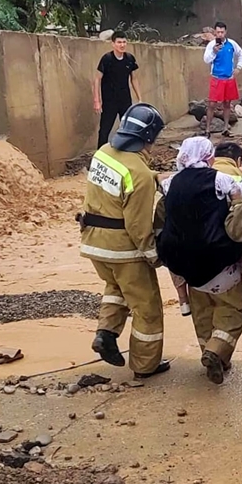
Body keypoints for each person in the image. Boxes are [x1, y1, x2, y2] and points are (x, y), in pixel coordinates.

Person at [80, 103, 171, 378]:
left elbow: (124, 176)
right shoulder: (139, 176)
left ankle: (105, 334)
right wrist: (153, 255)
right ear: (149, 138)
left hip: (93, 243)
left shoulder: (103, 153)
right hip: (124, 250)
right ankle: (145, 365)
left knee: (116, 288)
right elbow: (138, 225)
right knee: (148, 308)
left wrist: (155, 178)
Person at [158, 137, 242, 385]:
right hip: (219, 261)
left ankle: (210, 353)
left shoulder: (170, 183)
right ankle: (216, 351)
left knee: (202, 314)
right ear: (209, 157)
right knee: (231, 311)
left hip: (185, 265)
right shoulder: (220, 180)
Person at [214, 141, 242, 316]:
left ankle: (183, 301)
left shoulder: (202, 174)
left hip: (203, 235)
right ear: (238, 160)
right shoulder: (239, 178)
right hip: (232, 235)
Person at [93, 32, 143, 150]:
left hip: (125, 99)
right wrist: (97, 100)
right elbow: (97, 79)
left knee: (128, 128)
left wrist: (140, 98)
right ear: (113, 44)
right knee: (105, 129)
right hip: (109, 101)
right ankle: (100, 155)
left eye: (124, 42)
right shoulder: (107, 59)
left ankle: (128, 152)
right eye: (119, 42)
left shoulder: (129, 59)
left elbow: (134, 79)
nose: (122, 45)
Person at [203, 22, 242, 137]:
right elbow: (206, 60)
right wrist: (214, 52)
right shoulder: (211, 45)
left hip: (229, 78)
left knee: (227, 104)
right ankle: (207, 130)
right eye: (218, 32)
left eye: (222, 32)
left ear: (225, 32)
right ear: (215, 33)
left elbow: (241, 54)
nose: (220, 34)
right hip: (216, 78)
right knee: (212, 104)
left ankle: (225, 128)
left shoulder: (232, 44)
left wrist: (239, 68)